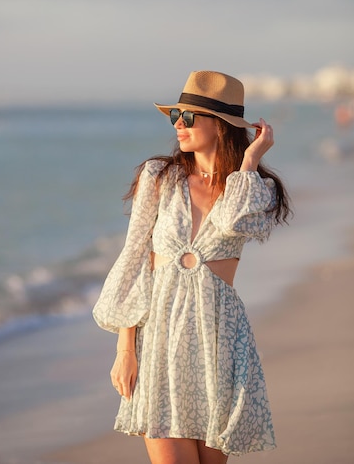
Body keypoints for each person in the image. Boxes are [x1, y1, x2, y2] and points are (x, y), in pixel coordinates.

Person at [93, 70, 292, 463]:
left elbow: (234, 220)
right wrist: (125, 347)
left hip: (217, 338)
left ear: (219, 126)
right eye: (175, 117)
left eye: (188, 117)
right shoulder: (159, 177)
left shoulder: (255, 189)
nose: (178, 126)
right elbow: (135, 259)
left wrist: (249, 161)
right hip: (160, 340)